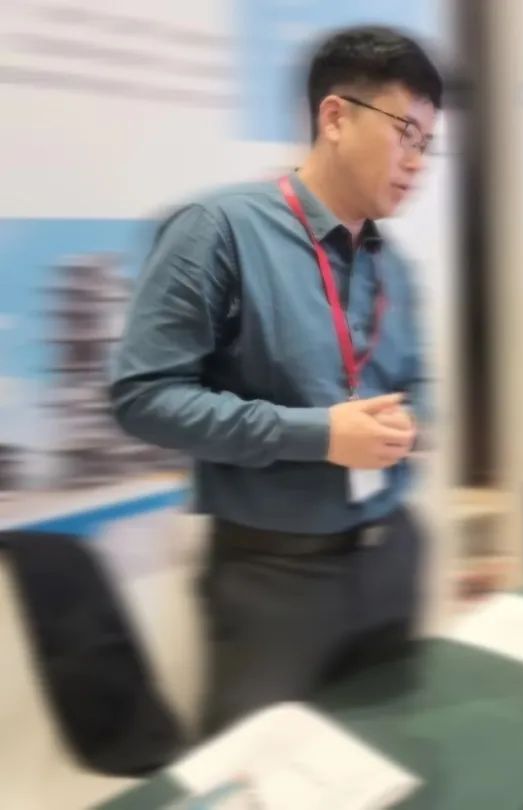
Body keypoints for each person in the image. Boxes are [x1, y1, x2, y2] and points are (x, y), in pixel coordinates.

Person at [109, 26, 442, 734]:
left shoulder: (395, 266)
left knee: (391, 753)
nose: (418, 162)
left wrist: (413, 423)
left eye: (428, 145)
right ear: (335, 117)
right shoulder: (218, 231)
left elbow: (419, 386)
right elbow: (143, 397)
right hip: (273, 579)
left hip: (390, 554)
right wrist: (317, 435)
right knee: (261, 773)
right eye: (405, 133)